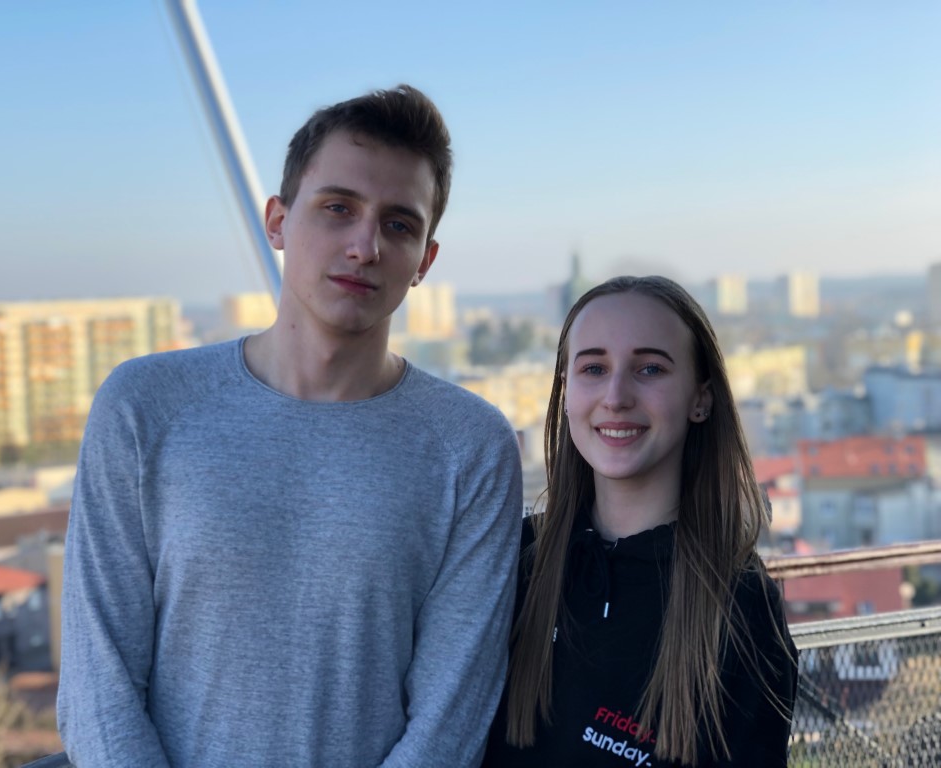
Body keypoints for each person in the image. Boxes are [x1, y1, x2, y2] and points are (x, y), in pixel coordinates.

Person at [58, 84, 523, 768]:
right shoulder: (144, 407)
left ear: (424, 261)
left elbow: (449, 723)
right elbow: (98, 689)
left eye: (399, 225)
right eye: (338, 208)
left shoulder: (471, 447)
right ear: (277, 221)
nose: (365, 245)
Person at [482, 275, 797, 767]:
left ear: (701, 399)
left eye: (650, 368)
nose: (616, 396)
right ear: (565, 393)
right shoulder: (513, 561)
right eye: (593, 368)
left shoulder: (739, 601)